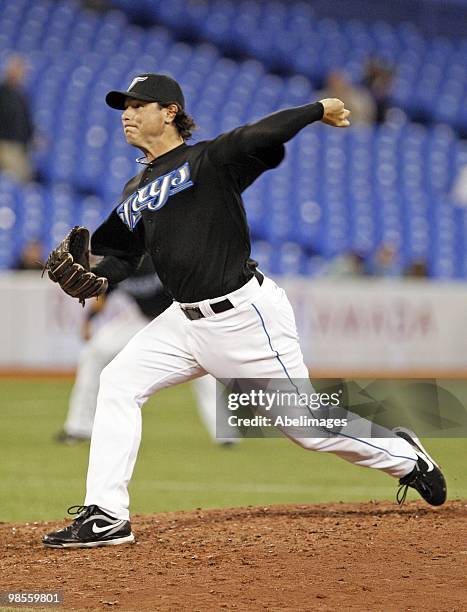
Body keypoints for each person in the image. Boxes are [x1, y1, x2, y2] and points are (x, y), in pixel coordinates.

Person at [42, 73, 446, 548]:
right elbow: (122, 255)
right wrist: (100, 277)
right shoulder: (137, 188)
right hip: (180, 323)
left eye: (138, 105)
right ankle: (107, 515)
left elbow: (260, 135)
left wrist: (318, 108)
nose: (127, 115)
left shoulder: (208, 160)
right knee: (117, 382)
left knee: (307, 430)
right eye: (123, 108)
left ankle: (406, 457)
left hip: (244, 317)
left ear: (169, 111)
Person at [56, 255, 238, 446]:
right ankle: (79, 428)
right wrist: (89, 320)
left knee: (205, 367)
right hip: (142, 319)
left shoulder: (160, 258)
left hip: (180, 317)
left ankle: (226, 435)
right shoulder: (119, 264)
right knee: (94, 352)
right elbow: (103, 296)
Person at [0, 56, 35, 182]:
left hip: (21, 147)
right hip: (7, 145)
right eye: (18, 70)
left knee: (25, 179)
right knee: (13, 181)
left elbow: (25, 121)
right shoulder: (3, 93)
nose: (22, 74)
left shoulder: (20, 95)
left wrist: (32, 136)